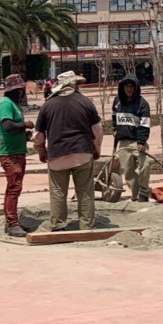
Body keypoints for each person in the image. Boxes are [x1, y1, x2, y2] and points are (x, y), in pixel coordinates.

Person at [33, 71, 103, 231]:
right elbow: (97, 130)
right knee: (85, 191)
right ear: (73, 85)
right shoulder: (85, 102)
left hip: (57, 155)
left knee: (58, 192)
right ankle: (86, 225)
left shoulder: (48, 105)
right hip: (82, 154)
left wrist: (41, 152)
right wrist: (96, 149)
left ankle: (58, 225)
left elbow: (38, 135)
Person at [0, 74, 33, 238]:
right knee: (14, 188)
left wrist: (24, 136)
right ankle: (12, 223)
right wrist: (25, 124)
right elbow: (8, 126)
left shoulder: (12, 105)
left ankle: (12, 220)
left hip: (17, 151)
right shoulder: (5, 105)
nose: (22, 93)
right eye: (20, 90)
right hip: (10, 154)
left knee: (13, 187)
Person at [112, 76, 151, 202]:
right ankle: (136, 197)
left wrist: (141, 142)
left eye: (131, 87)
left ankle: (144, 192)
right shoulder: (117, 101)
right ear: (122, 88)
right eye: (126, 87)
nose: (129, 89)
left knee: (145, 165)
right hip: (123, 143)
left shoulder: (142, 104)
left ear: (136, 88)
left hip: (137, 142)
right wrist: (115, 129)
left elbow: (144, 125)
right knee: (129, 173)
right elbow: (114, 117)